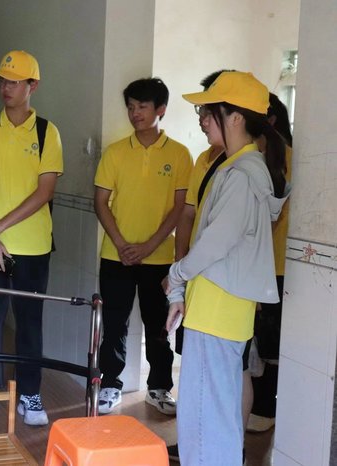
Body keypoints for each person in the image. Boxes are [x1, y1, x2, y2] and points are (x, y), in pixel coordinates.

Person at [165, 71, 289, 465]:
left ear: (235, 117)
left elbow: (215, 243)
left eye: (209, 111)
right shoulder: (238, 167)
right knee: (214, 418)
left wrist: (176, 275)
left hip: (217, 311)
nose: (202, 119)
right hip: (219, 309)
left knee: (205, 421)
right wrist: (181, 288)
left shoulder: (241, 174)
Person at [0, 50, 63, 426]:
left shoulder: (47, 132)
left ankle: (30, 394)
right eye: (2, 81)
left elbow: (45, 191)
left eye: (14, 82)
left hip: (33, 247)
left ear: (32, 85)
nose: (5, 87)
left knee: (29, 322)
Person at [94, 77, 192, 415]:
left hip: (159, 258)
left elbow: (180, 209)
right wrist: (122, 244)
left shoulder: (180, 155)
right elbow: (100, 202)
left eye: (142, 107)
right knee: (114, 324)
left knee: (159, 326)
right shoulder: (115, 152)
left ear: (160, 109)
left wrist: (149, 246)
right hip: (115, 255)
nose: (135, 113)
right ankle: (110, 385)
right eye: (131, 107)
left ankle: (159, 388)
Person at [248, 93, 293, 432]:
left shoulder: (284, 157)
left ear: (270, 119)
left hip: (275, 266)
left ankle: (265, 409)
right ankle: (258, 406)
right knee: (260, 340)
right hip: (263, 265)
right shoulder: (257, 157)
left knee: (270, 341)